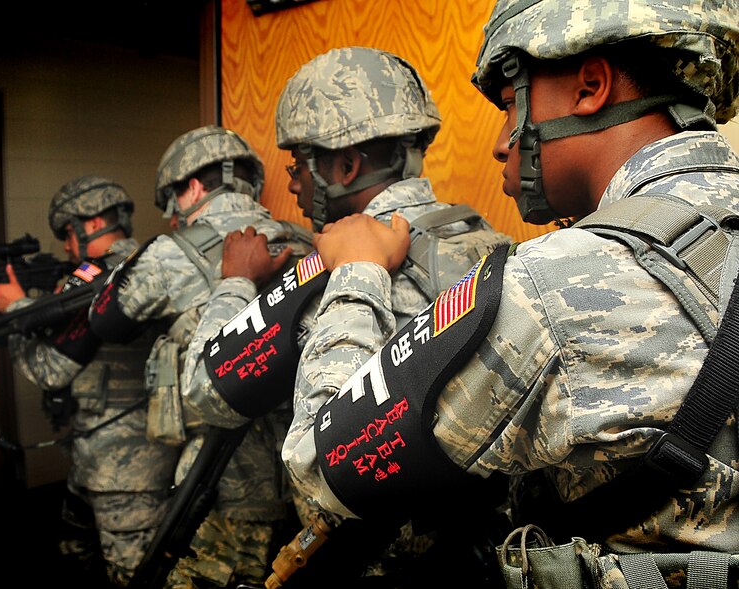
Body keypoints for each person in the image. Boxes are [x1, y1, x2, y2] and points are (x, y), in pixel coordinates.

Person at [282, 1, 739, 585]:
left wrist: (358, 272)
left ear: (590, 86)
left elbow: (321, 472)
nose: (502, 144)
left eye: (509, 108)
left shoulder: (555, 286)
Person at [180, 46, 511, 587]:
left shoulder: (331, 269)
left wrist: (235, 280)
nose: (291, 184)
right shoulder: (495, 245)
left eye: (297, 165)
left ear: (346, 166)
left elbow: (204, 393)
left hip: (363, 563)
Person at [86, 124, 313, 589]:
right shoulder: (305, 240)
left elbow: (105, 321)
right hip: (303, 476)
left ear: (191, 187)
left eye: (172, 201)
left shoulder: (171, 251)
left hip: (219, 481)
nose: (173, 217)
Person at [0, 175, 173, 587]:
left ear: (90, 225)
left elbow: (51, 370)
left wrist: (15, 313)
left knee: (134, 575)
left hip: (123, 470)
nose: (65, 247)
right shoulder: (150, 263)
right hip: (122, 454)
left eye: (67, 235)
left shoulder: (99, 280)